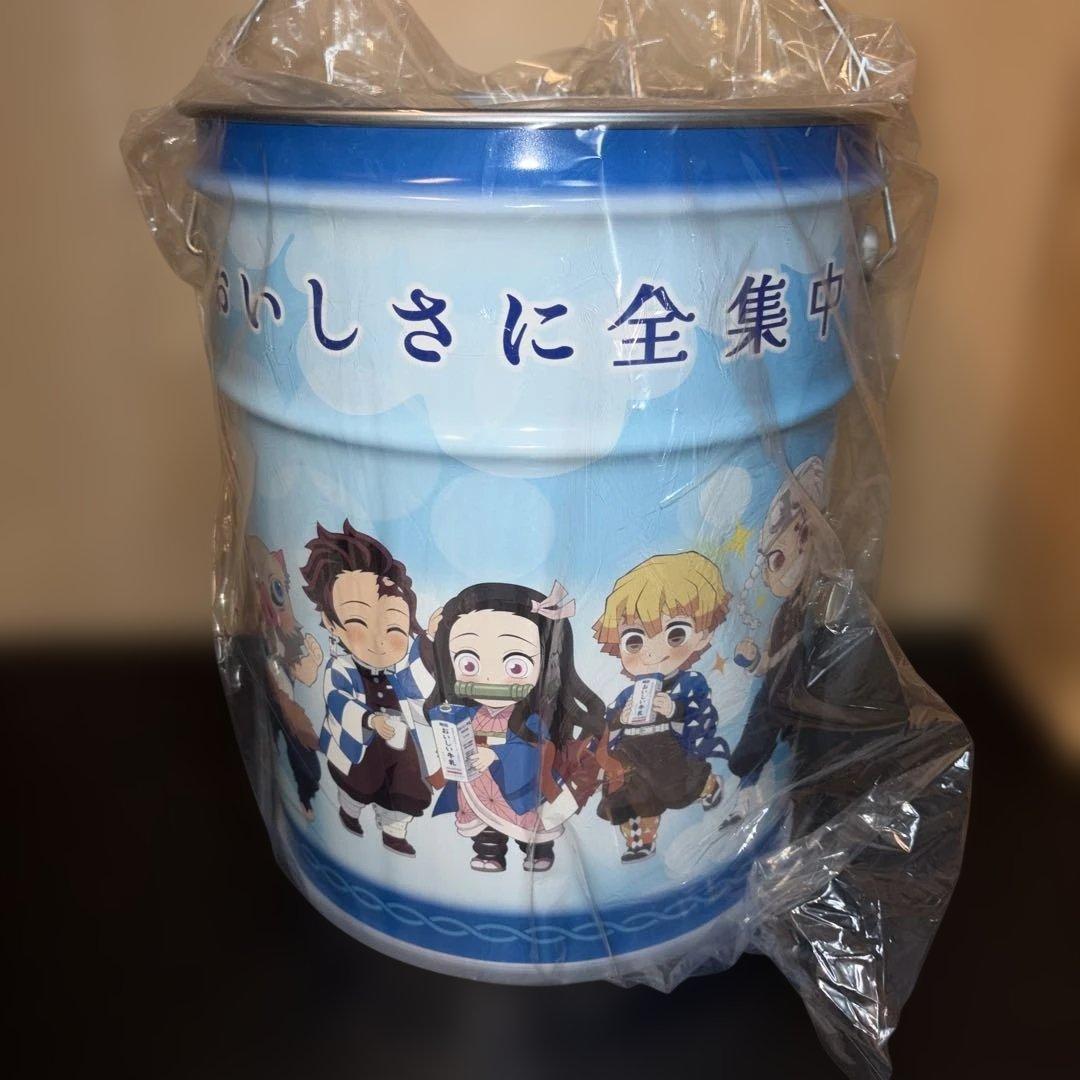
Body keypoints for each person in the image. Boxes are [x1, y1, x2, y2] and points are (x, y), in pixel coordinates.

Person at [425, 582, 605, 873]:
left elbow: (537, 751)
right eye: (469, 663)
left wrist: (497, 754)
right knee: (483, 824)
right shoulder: (469, 713)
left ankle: (536, 850)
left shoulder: (532, 717)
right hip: (476, 781)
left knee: (527, 819)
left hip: (516, 781)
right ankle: (489, 851)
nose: (490, 678)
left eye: (516, 665)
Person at [299, 521, 435, 858]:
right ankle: (349, 811)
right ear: (331, 623)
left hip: (399, 744)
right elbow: (337, 700)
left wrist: (431, 714)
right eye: (359, 622)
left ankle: (394, 832)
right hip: (358, 743)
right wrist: (370, 721)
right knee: (357, 786)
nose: (379, 640)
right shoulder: (342, 668)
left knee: (405, 790)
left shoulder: (396, 672)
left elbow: (414, 695)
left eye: (394, 627)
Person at [592, 552, 730, 862]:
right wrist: (620, 719)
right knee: (627, 796)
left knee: (680, 787)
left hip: (669, 753)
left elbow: (703, 716)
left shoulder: (690, 683)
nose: (652, 652)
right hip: (633, 755)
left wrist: (675, 711)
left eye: (675, 634)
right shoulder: (627, 694)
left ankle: (707, 786)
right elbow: (607, 724)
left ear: (703, 636)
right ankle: (640, 841)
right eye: (635, 640)